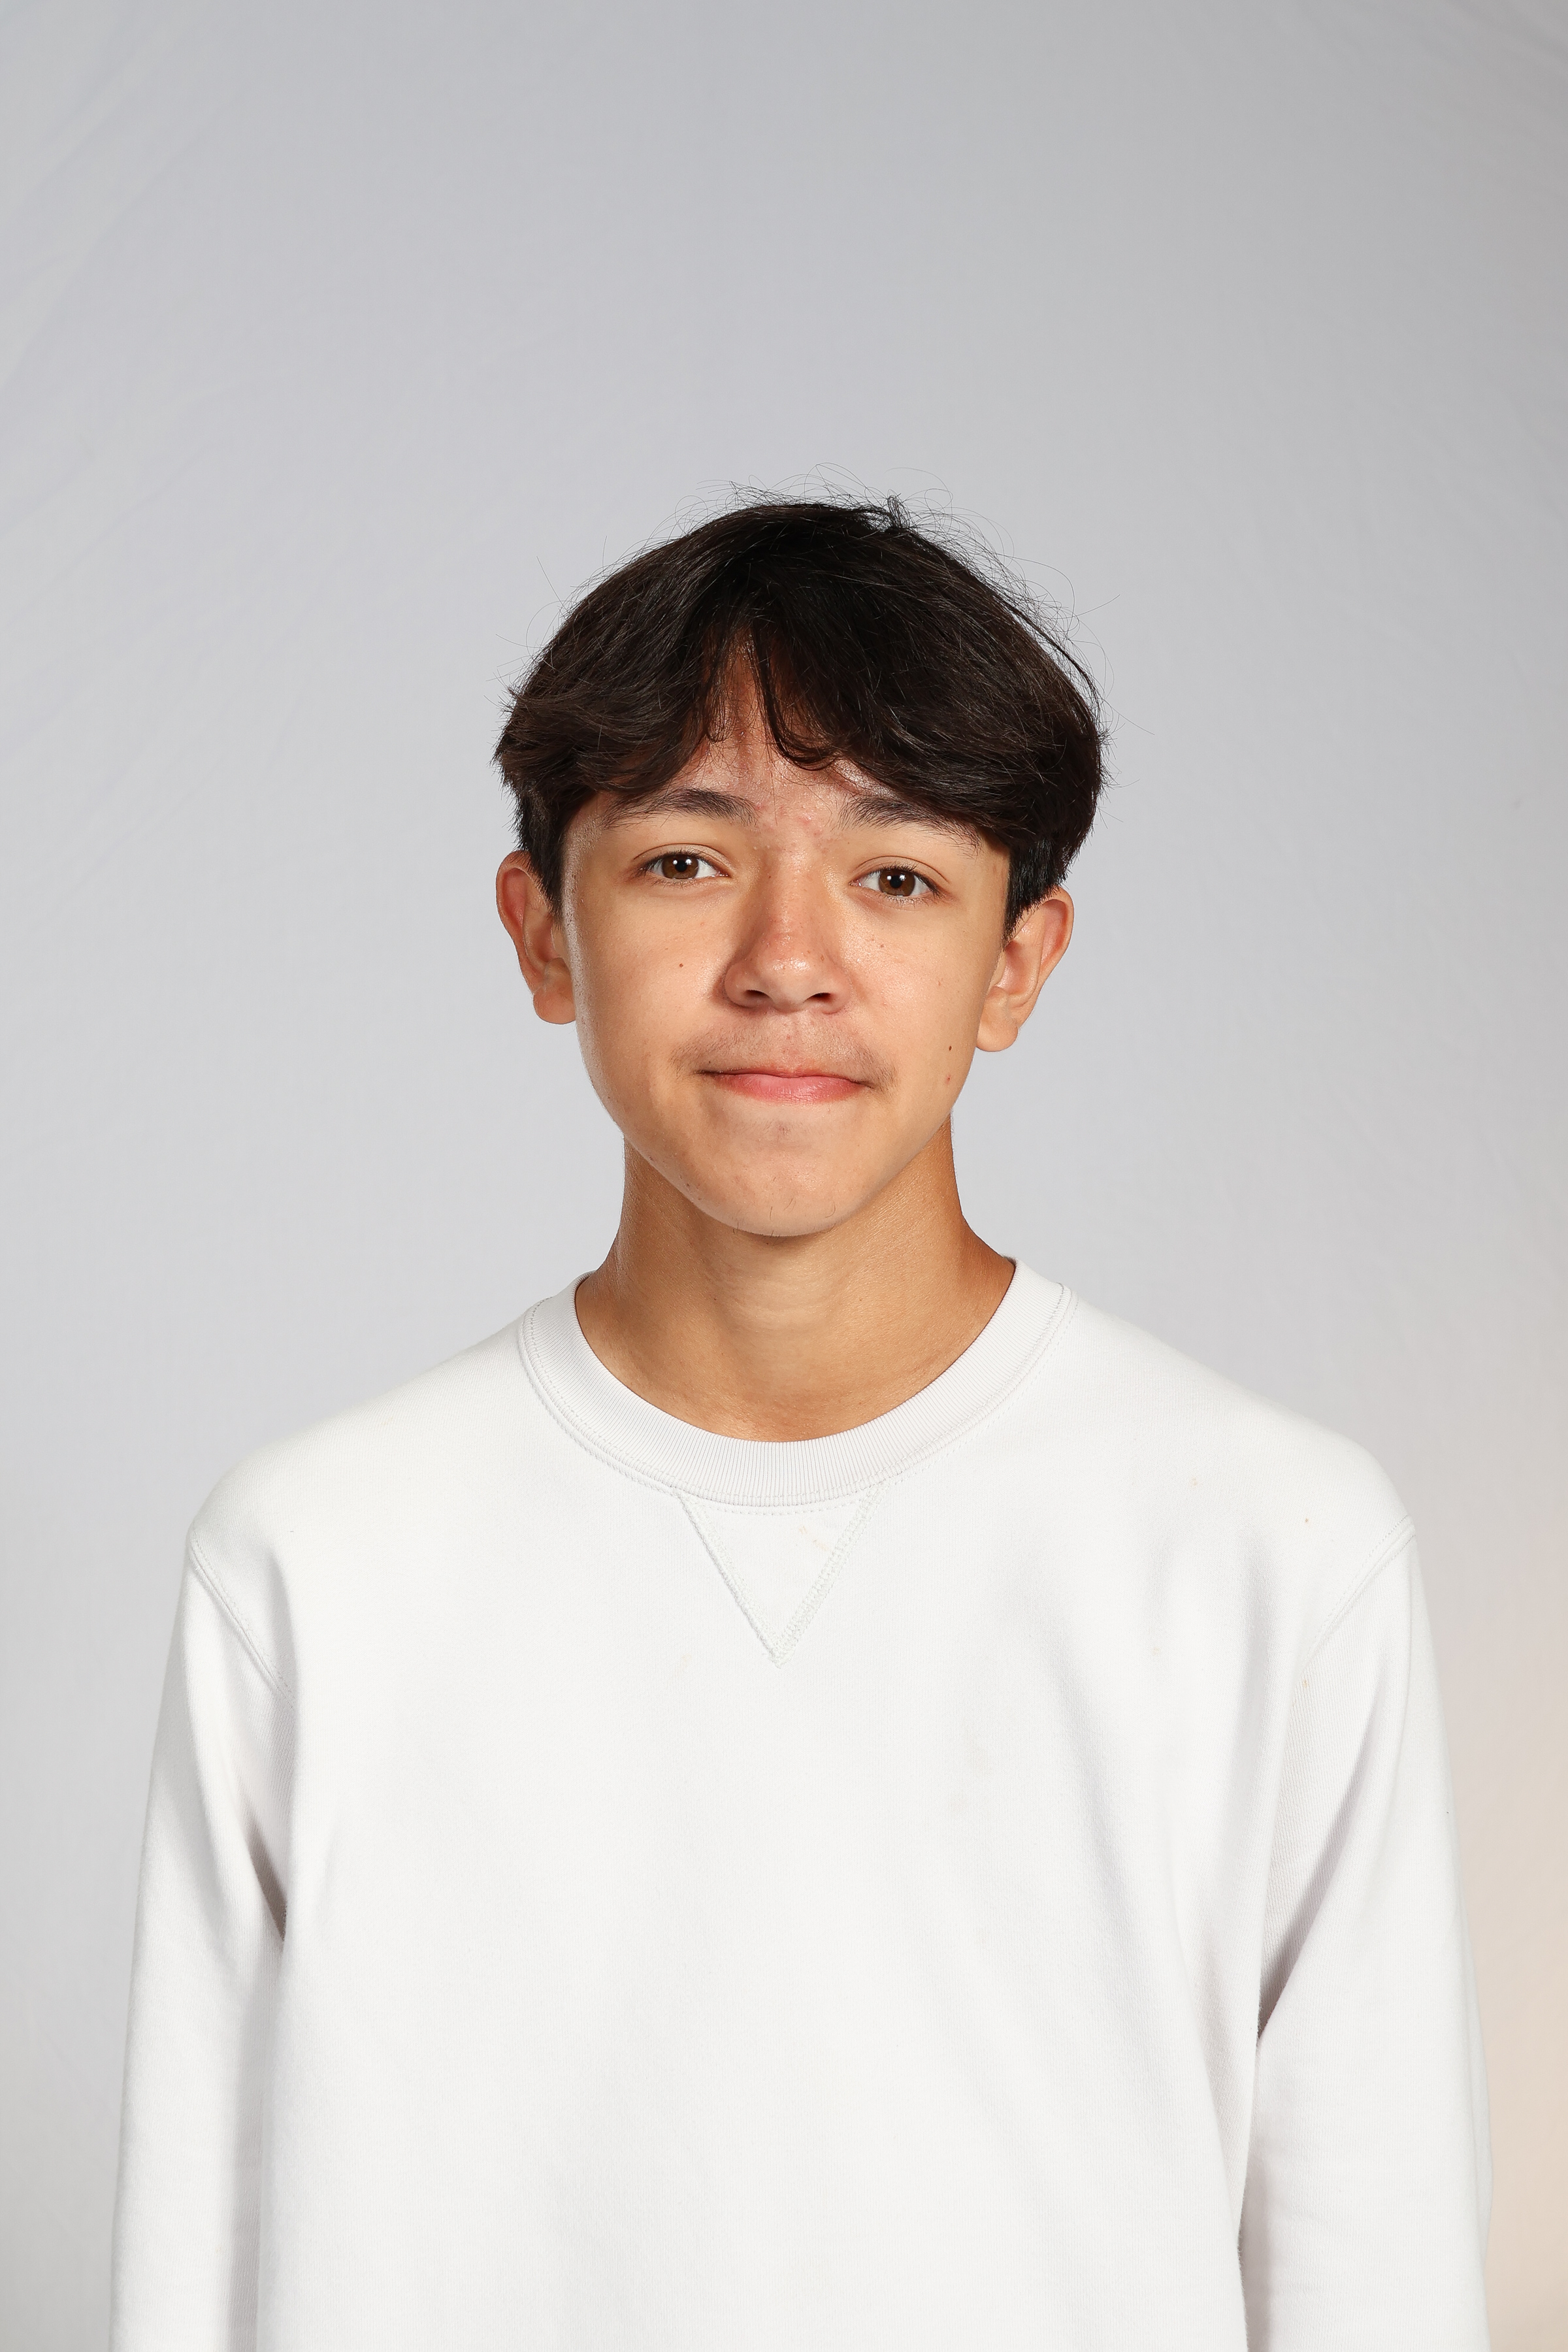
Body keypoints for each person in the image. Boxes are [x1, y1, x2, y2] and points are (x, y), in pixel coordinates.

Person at [110, 496, 1491, 2350]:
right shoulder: (316, 1564)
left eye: (895, 876)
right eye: (686, 861)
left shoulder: (1271, 1553)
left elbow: (1372, 2276)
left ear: (1019, 961)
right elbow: (190, 2278)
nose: (787, 956)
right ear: (542, 934)